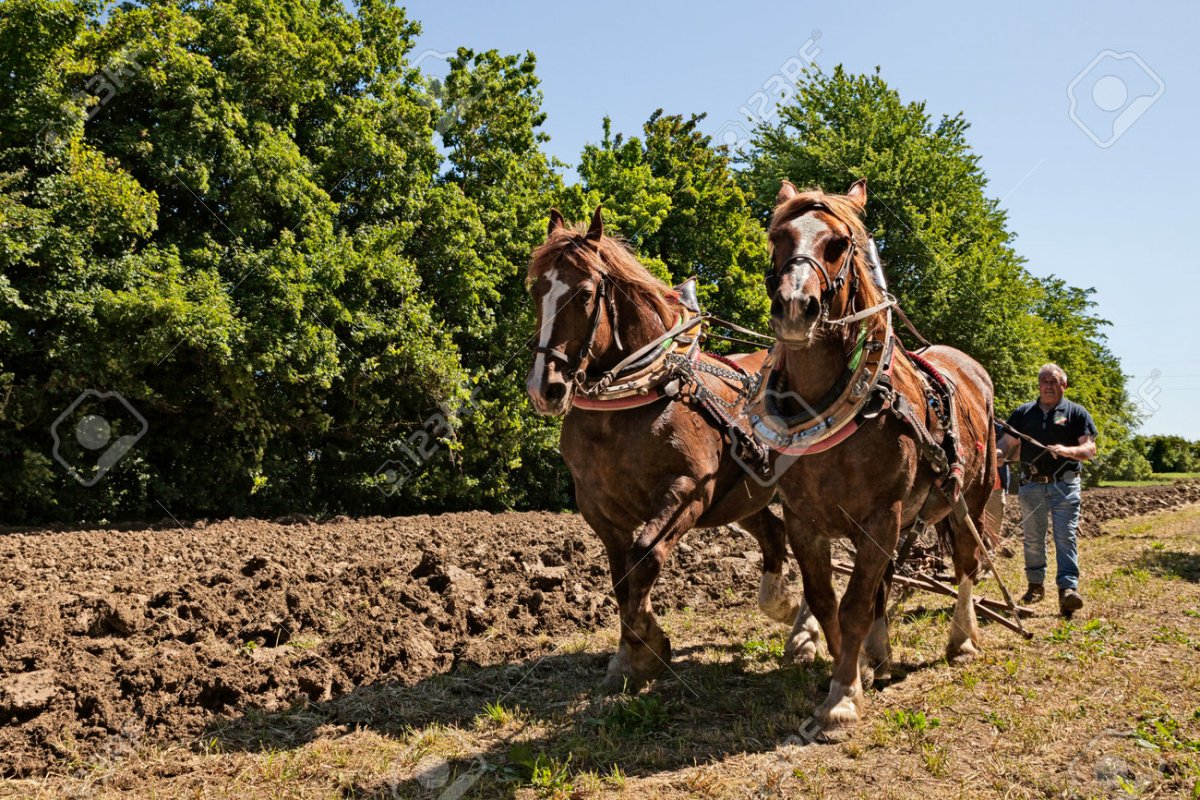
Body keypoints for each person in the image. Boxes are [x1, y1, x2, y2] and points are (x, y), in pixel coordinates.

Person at [997, 364, 1097, 617]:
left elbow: (1089, 450)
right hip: (1031, 485)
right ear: (1038, 385)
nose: (1048, 386)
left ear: (1064, 385)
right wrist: (998, 454)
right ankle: (1035, 586)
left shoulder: (1076, 413)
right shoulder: (1023, 413)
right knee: (1032, 538)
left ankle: (1067, 590)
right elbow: (1007, 443)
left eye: (1054, 382)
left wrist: (1067, 451)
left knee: (1065, 537)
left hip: (1065, 484)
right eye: (1044, 381)